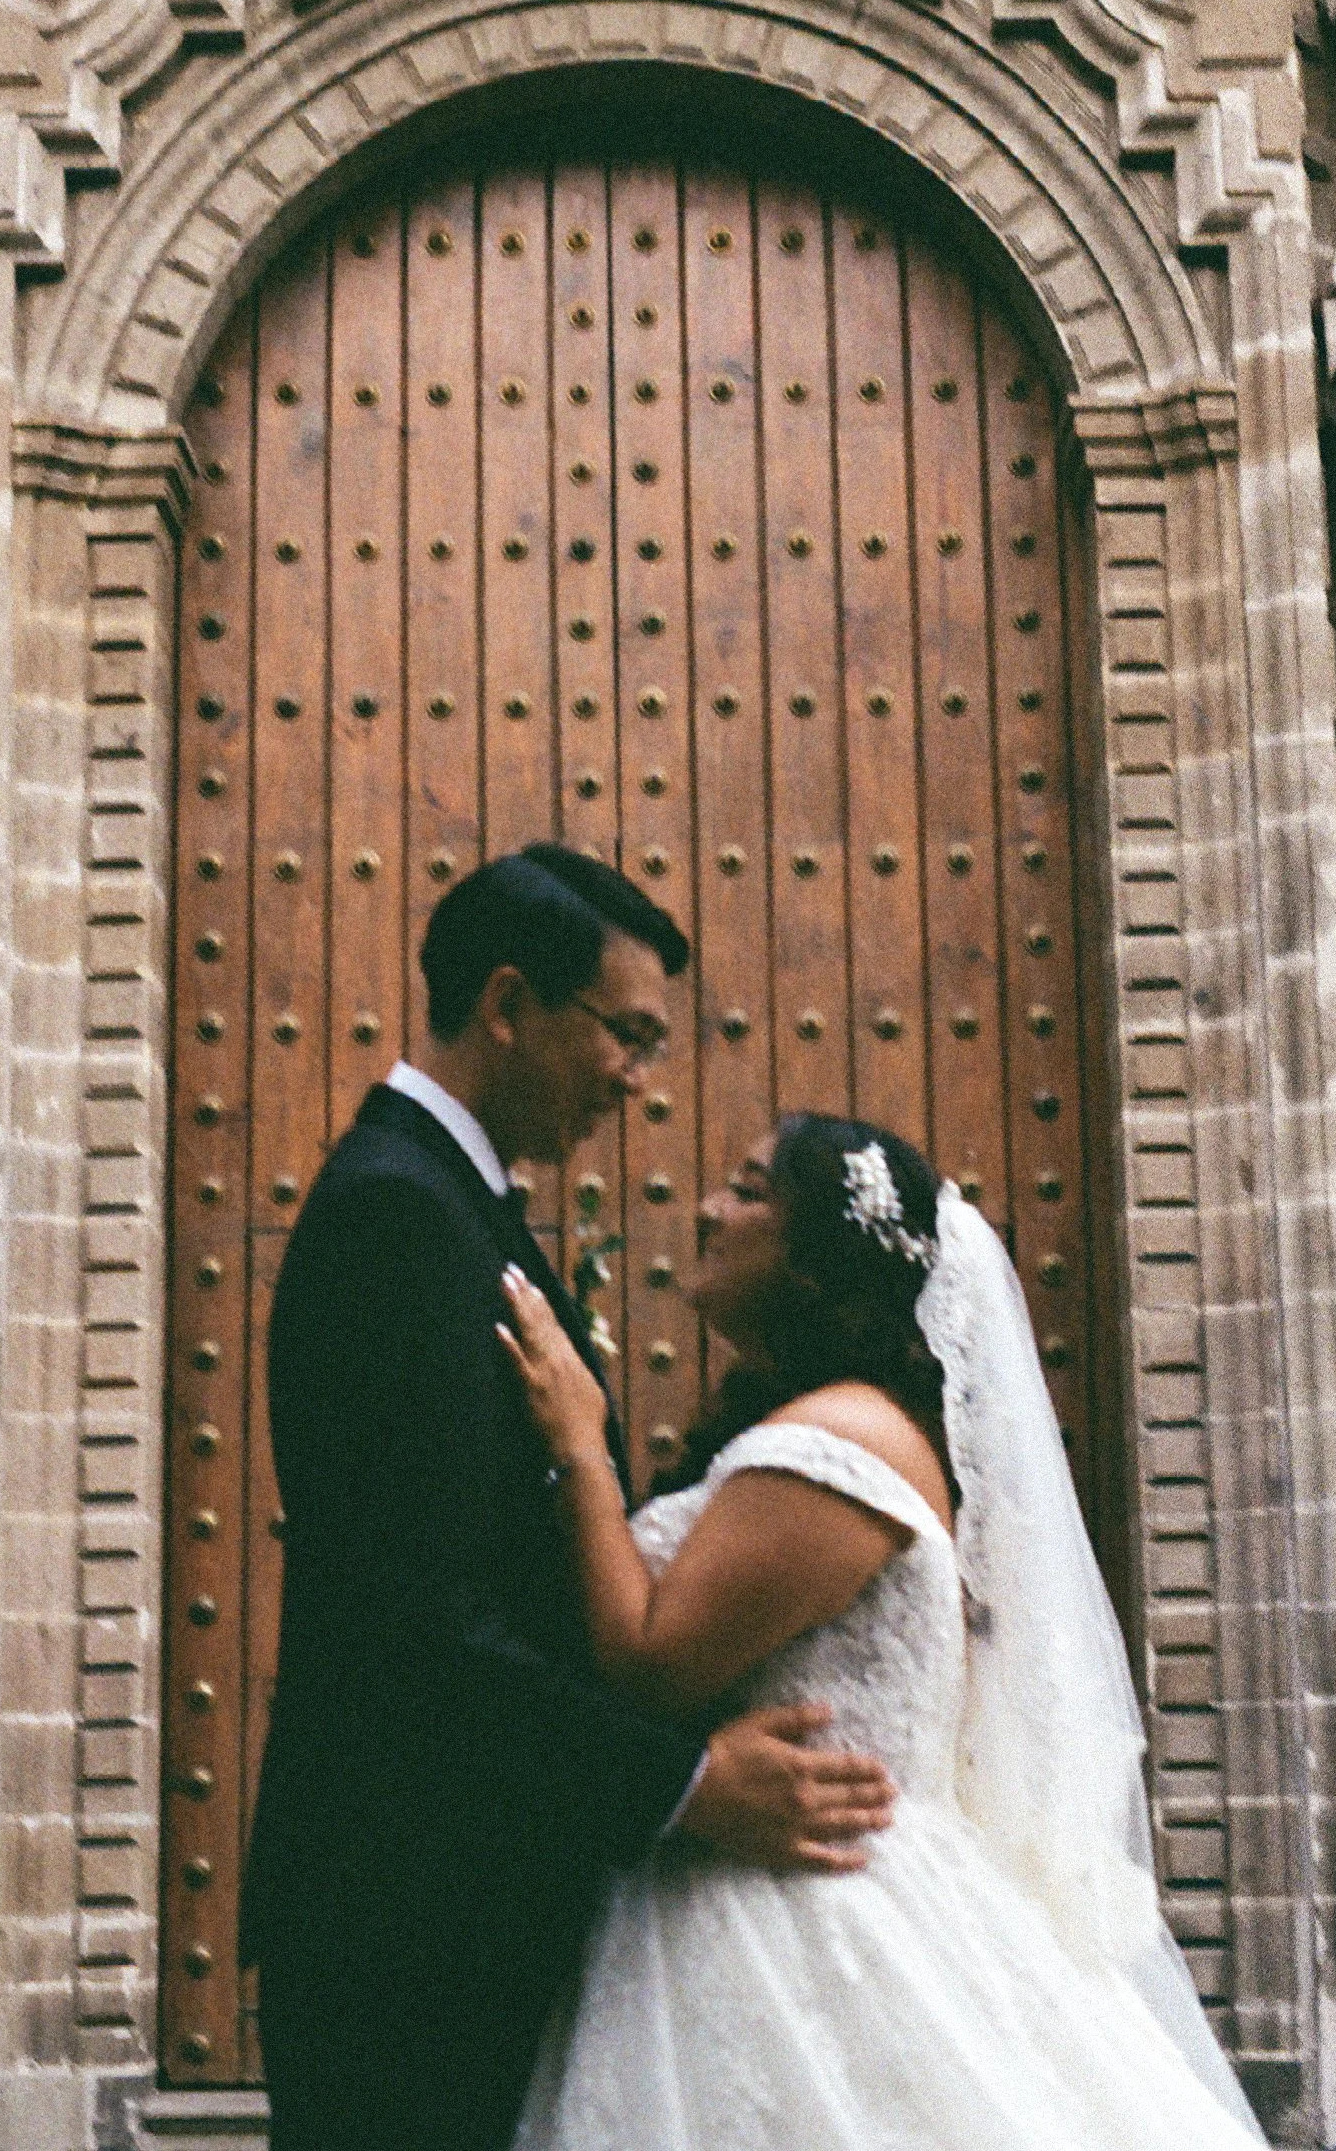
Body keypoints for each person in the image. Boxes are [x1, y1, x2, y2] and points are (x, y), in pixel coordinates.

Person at [241, 855, 899, 2151]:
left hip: (462, 1901)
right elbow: (418, 1623)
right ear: (507, 1003)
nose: (636, 1078)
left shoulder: (447, 1202)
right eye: (627, 1036)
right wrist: (685, 1784)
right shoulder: (398, 1215)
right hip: (405, 1924)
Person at [499, 1113, 1268, 2151]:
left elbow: (646, 1663)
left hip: (804, 1911)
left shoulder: (838, 1442)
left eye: (750, 1189)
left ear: (818, 1260)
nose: (708, 1209)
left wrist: (578, 1444)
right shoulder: (828, 1423)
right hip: (764, 1876)